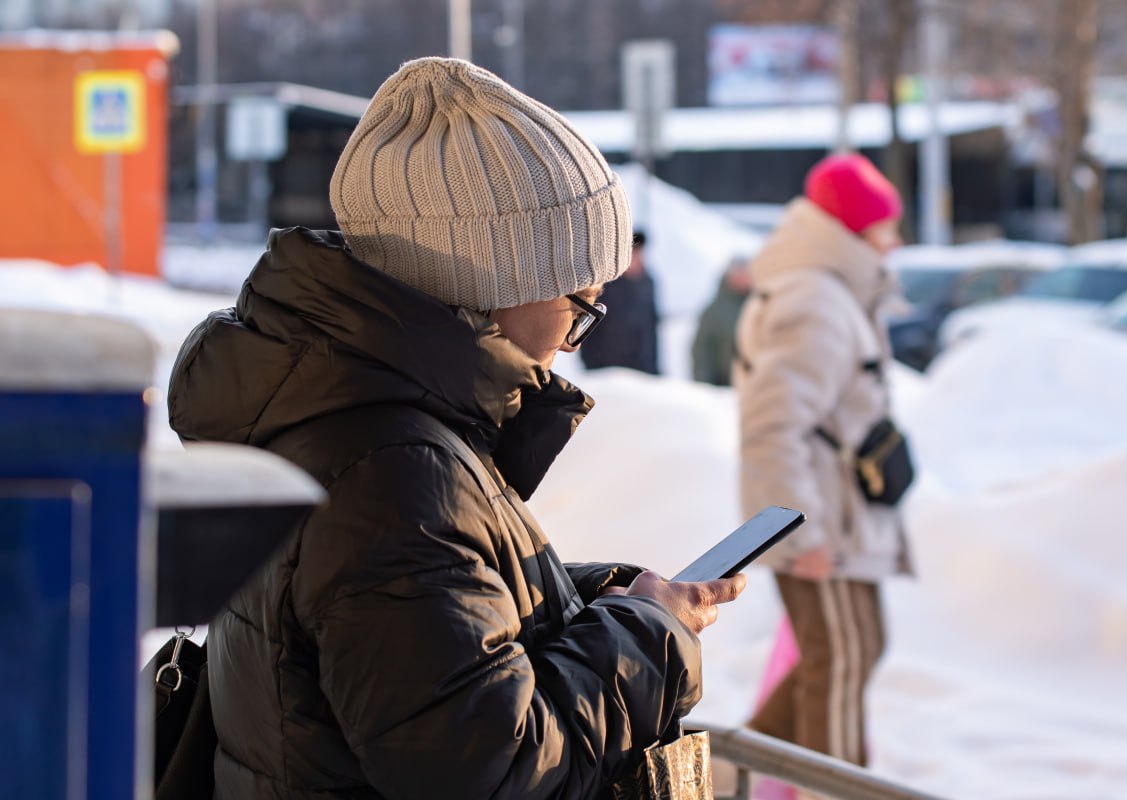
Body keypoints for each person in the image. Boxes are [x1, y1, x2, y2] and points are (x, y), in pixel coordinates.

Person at [167, 58, 745, 799]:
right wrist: (647, 640)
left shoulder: (341, 409)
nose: (577, 338)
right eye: (579, 304)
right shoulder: (393, 472)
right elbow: (487, 766)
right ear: (488, 285)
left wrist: (598, 603)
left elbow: (399, 630)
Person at [733, 153, 912, 767]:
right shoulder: (814, 299)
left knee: (851, 651)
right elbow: (772, 428)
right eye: (886, 227)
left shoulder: (829, 291)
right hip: (821, 522)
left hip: (839, 516)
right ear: (854, 232)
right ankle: (827, 787)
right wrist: (799, 528)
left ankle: (731, 774)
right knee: (838, 660)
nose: (895, 242)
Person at [578, 230, 660, 374]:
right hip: (608, 371)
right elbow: (590, 328)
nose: (636, 257)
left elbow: (651, 328)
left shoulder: (648, 283)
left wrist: (653, 368)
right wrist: (593, 366)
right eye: (632, 253)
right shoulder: (605, 287)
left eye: (639, 252)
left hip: (642, 369)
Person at [691, 256, 752, 386]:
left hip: (753, 387)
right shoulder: (714, 311)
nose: (744, 278)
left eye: (747, 274)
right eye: (740, 273)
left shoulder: (757, 307)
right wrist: (705, 386)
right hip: (723, 388)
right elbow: (702, 352)